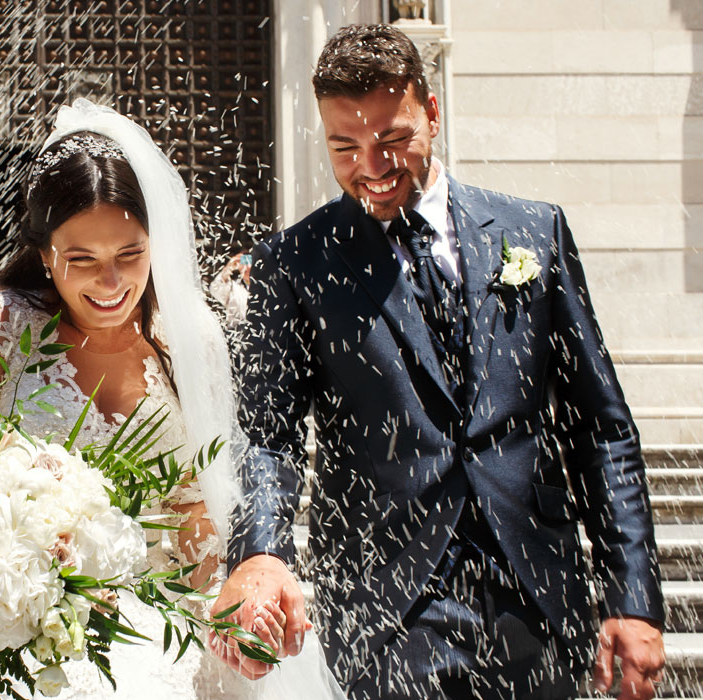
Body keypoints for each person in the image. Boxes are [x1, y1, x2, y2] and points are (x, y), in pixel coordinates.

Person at [212, 24, 665, 700]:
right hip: (388, 609)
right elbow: (268, 437)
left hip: (538, 597)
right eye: (345, 147)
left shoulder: (533, 232)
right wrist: (258, 552)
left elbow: (601, 430)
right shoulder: (294, 264)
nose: (372, 165)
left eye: (393, 140)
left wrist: (632, 594)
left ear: (431, 110)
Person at [0, 100, 332, 700]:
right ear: (45, 254)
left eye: (130, 255)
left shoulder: (189, 340)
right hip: (7, 627)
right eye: (82, 260)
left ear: (156, 243)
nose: (111, 282)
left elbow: (198, 511)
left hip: (153, 624)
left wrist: (224, 612)